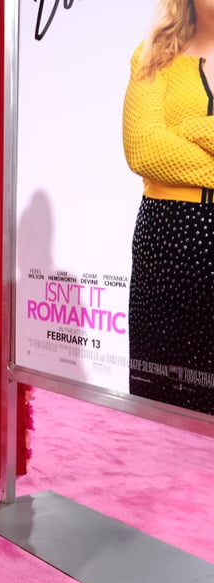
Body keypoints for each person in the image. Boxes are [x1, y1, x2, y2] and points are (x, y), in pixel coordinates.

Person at [123, 0, 214, 415]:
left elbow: (164, 141)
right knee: (162, 402)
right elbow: (144, 148)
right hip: (167, 242)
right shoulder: (153, 55)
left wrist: (186, 129)